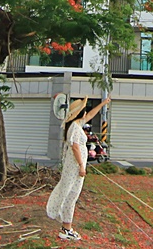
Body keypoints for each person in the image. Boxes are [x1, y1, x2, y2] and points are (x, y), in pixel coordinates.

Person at [47, 96, 110, 241]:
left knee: (72, 195)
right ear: (79, 113)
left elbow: (90, 115)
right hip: (74, 167)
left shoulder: (76, 124)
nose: (85, 113)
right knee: (70, 195)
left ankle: (66, 227)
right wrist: (82, 166)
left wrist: (103, 104)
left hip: (75, 166)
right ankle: (66, 228)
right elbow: (75, 147)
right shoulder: (75, 128)